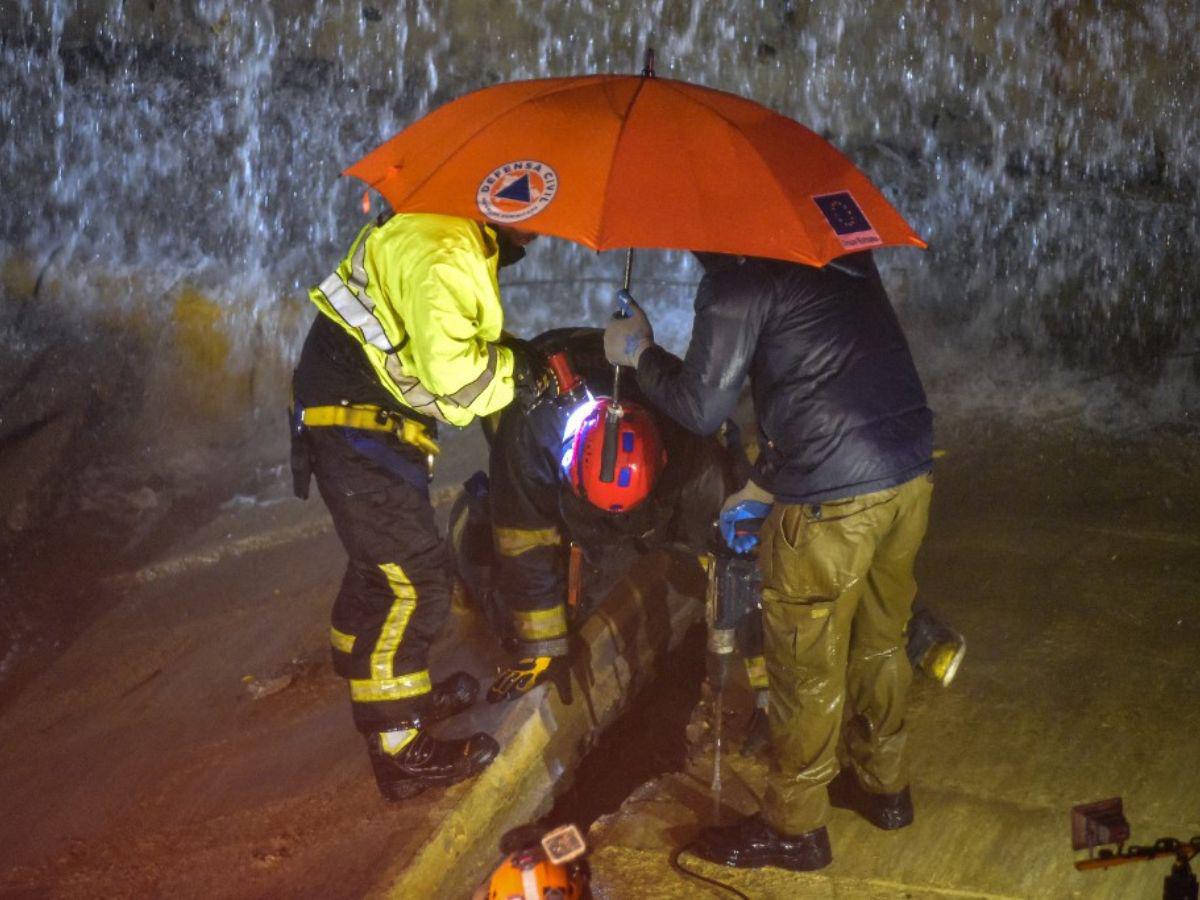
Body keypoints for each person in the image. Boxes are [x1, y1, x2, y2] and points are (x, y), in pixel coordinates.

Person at [604, 250, 935, 872]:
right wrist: (763, 483)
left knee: (805, 665)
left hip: (832, 501)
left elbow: (701, 407)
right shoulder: (842, 255)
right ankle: (884, 787)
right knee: (881, 637)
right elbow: (827, 380)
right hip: (908, 472)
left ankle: (795, 830)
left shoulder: (738, 283)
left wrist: (639, 351)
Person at [290, 210, 550, 801]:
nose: (545, 229)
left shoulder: (447, 228)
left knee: (380, 561)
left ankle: (386, 686)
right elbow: (457, 389)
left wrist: (511, 356)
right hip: (355, 424)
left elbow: (432, 336)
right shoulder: (445, 252)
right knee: (412, 580)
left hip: (352, 413)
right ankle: (397, 745)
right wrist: (518, 370)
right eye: (539, 212)